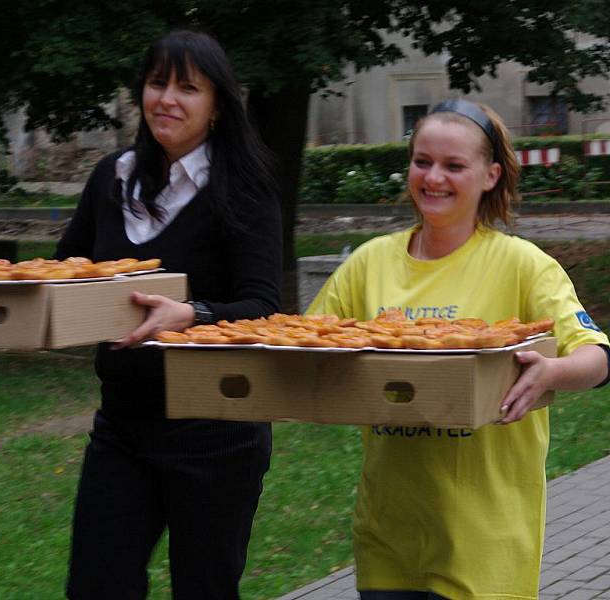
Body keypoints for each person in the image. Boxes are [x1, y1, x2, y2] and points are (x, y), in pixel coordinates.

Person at [308, 99, 610, 599]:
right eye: (422, 161)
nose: (433, 178)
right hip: (390, 542)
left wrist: (550, 374)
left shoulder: (523, 266)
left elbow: (597, 356)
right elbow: (297, 346)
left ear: (490, 176)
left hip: (486, 546)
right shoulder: (367, 264)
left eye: (453, 165)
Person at [54, 30, 282, 599]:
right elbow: (66, 270)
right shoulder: (112, 179)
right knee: (95, 587)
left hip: (216, 432)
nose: (167, 99)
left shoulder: (247, 189)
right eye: (158, 83)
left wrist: (192, 313)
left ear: (217, 106)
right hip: (123, 428)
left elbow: (262, 309)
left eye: (188, 87)